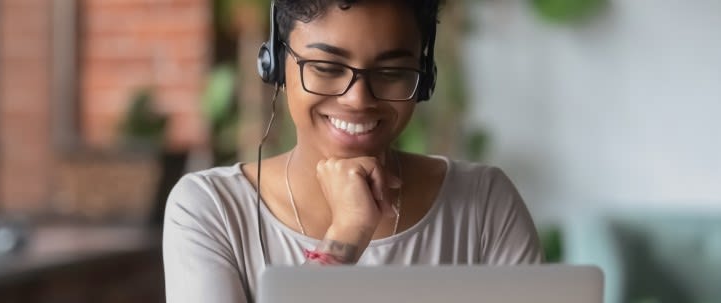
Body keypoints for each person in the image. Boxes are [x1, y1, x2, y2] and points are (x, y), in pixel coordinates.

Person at [163, 0, 543, 302]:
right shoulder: (210, 210)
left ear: (424, 79)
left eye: (392, 72)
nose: (358, 99)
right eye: (327, 67)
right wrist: (346, 235)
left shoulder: (485, 203)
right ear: (276, 65)